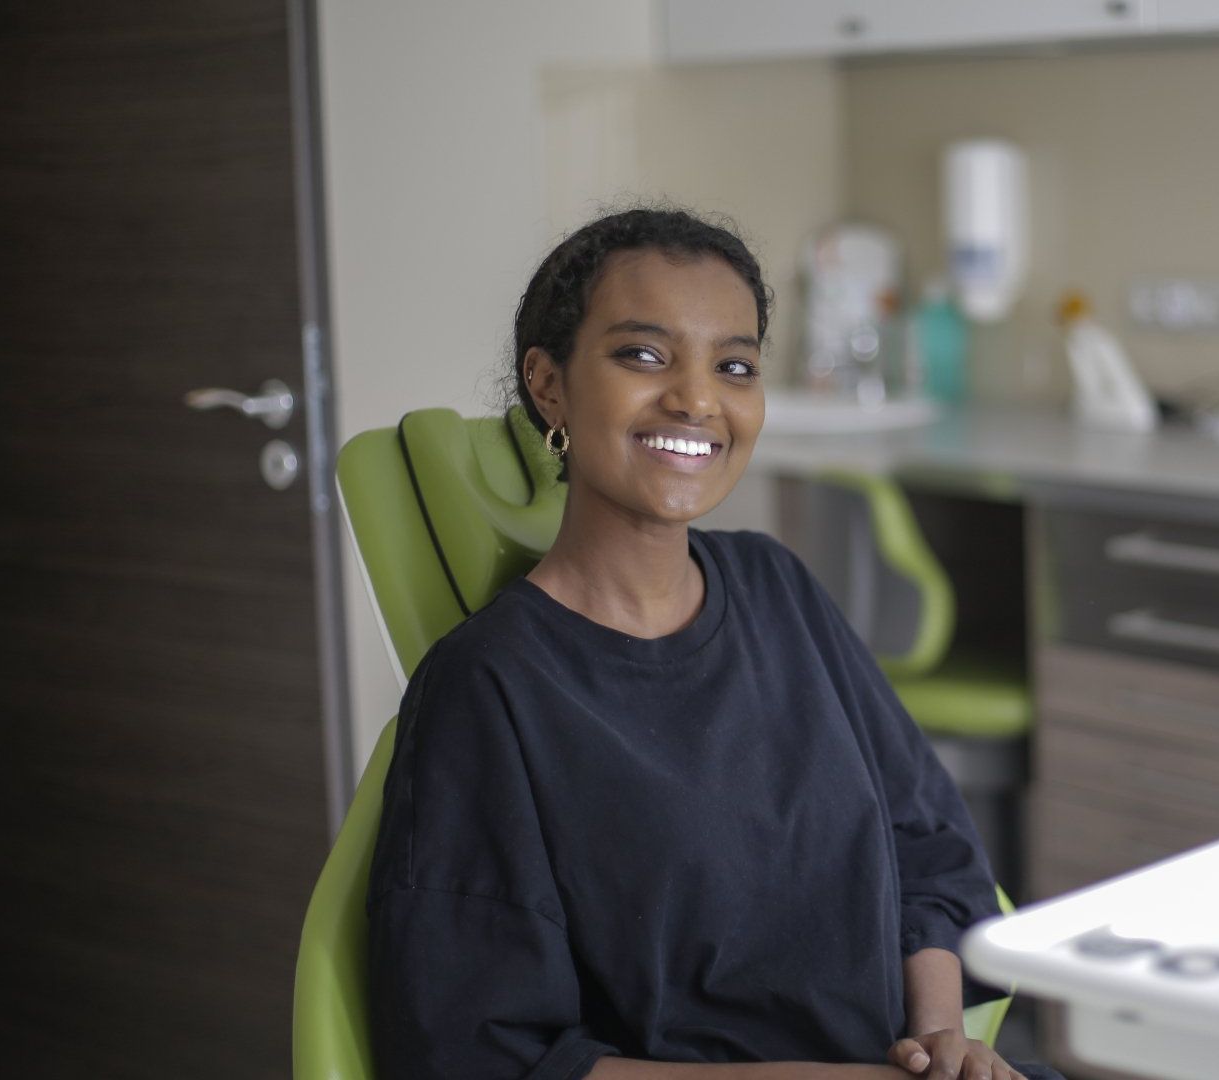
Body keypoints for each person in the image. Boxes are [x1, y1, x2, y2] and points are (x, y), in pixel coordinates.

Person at [366, 207, 1059, 1080]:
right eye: (644, 355)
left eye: (734, 365)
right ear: (549, 386)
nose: (698, 398)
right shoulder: (487, 690)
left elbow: (927, 843)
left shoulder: (778, 589)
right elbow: (475, 1053)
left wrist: (942, 1045)